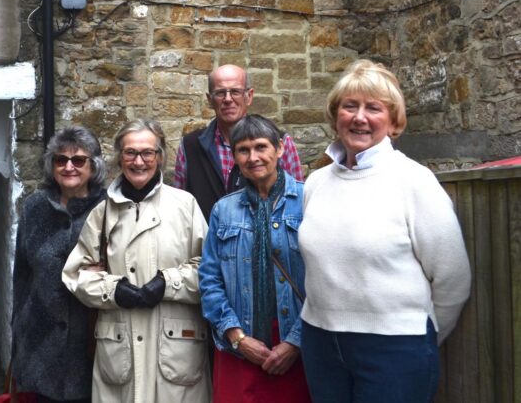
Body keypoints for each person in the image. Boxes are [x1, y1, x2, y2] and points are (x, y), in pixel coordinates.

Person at [299, 60, 472, 402]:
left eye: (373, 108)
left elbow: (453, 279)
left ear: (393, 122)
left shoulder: (414, 182)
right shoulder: (316, 183)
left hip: (395, 348)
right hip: (321, 342)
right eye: (350, 106)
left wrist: (415, 338)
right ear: (336, 117)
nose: (359, 117)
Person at [63, 118, 211, 403]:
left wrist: (168, 283)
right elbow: (77, 275)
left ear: (160, 157)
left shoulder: (185, 206)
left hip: (176, 351)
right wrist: (113, 290)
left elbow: (210, 271)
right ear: (120, 158)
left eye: (147, 153)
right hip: (119, 352)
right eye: (130, 152)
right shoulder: (102, 213)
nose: (138, 161)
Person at [199, 115, 310, 403]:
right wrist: (237, 337)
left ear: (280, 149)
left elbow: (327, 279)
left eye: (261, 147)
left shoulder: (309, 201)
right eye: (243, 150)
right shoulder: (223, 211)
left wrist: (295, 342)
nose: (253, 157)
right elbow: (210, 280)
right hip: (240, 343)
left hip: (295, 344)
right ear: (234, 156)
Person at [11, 126, 108, 403]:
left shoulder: (109, 208)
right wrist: (17, 339)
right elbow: (22, 277)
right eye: (60, 160)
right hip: (39, 344)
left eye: (78, 160)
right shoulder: (35, 207)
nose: (68, 167)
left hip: (90, 344)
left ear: (94, 166)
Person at [174, 64, 304, 220]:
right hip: (208, 241)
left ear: (249, 96)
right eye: (220, 93)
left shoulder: (279, 141)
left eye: (235, 91)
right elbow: (180, 206)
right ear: (210, 99)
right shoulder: (190, 147)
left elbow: (297, 201)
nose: (228, 99)